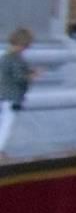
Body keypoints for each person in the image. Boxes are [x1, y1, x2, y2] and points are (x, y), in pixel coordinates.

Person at [0, 28, 35, 156]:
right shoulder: (15, 58)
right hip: (12, 96)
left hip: (3, 94)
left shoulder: (5, 56)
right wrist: (31, 76)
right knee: (7, 124)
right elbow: (19, 78)